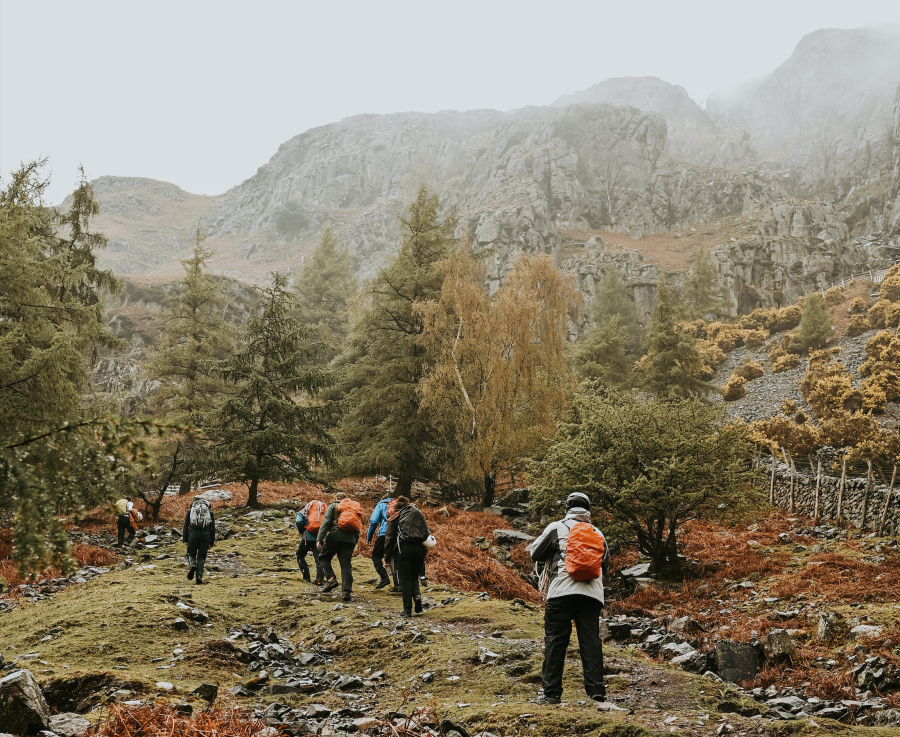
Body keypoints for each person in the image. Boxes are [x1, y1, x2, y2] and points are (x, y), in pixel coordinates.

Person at [528, 491, 609, 705]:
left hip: (561, 591)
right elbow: (605, 565)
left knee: (556, 641)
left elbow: (535, 553)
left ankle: (552, 694)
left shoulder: (556, 527)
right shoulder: (598, 533)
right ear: (587, 510)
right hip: (591, 595)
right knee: (590, 642)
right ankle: (596, 692)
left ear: (567, 508)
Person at [384, 496, 430, 618]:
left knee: (404, 579)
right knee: (414, 577)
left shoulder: (396, 515)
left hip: (404, 548)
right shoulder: (418, 513)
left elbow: (389, 537)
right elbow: (427, 532)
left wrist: (387, 557)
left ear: (397, 507)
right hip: (420, 548)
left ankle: (407, 610)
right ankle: (417, 598)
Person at [317, 491, 362, 602]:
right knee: (346, 564)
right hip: (350, 540)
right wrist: (354, 541)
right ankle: (346, 591)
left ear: (336, 498)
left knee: (323, 557)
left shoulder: (333, 506)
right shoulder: (353, 509)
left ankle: (331, 579)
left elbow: (326, 522)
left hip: (334, 537)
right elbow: (357, 527)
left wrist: (319, 539)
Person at [367, 492, 399, 590]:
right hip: (397, 534)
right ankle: (398, 585)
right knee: (394, 557)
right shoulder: (398, 505)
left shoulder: (380, 505)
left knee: (376, 556)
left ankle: (384, 577)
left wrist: (369, 536)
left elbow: (373, 521)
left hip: (384, 534)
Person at [183, 496, 216, 585]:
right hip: (205, 535)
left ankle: (193, 565)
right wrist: (211, 542)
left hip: (193, 534)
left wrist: (185, 539)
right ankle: (199, 576)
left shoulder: (190, 511)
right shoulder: (209, 512)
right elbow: (213, 528)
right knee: (201, 556)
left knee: (191, 553)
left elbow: (186, 526)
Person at [296, 498, 326, 584]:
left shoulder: (304, 511)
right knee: (319, 559)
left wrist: (302, 531)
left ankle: (306, 577)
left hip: (307, 538)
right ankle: (319, 579)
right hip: (319, 539)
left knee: (300, 555)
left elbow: (298, 522)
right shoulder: (321, 512)